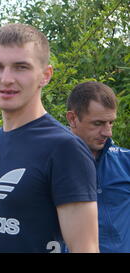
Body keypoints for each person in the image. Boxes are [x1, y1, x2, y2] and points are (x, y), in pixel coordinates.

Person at [0, 23, 99, 253]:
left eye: (20, 67)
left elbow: (85, 247)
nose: (6, 79)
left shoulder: (64, 148)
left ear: (45, 75)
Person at [66, 81, 130, 253]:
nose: (108, 132)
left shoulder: (126, 162)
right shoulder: (51, 164)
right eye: (98, 123)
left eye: (111, 123)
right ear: (72, 118)